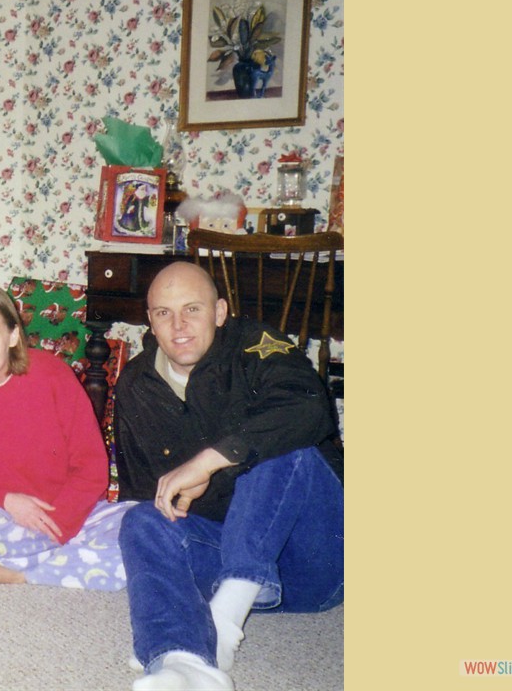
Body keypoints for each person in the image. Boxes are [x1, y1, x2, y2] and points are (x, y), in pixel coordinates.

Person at [114, 261, 343, 691]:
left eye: (192, 310)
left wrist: (210, 461)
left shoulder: (256, 345)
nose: (179, 326)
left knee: (281, 446)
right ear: (150, 321)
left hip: (315, 563)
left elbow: (309, 408)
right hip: (218, 564)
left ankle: (222, 622)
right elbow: (151, 503)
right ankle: (181, 658)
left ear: (220, 312)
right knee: (141, 519)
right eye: (164, 313)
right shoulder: (135, 385)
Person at [0, 283, 131, 590]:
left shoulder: (52, 374)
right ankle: (73, 565)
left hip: (74, 517)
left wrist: (60, 527)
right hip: (1, 522)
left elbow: (91, 468)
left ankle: (19, 573)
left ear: (13, 336)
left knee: (150, 530)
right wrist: (5, 501)